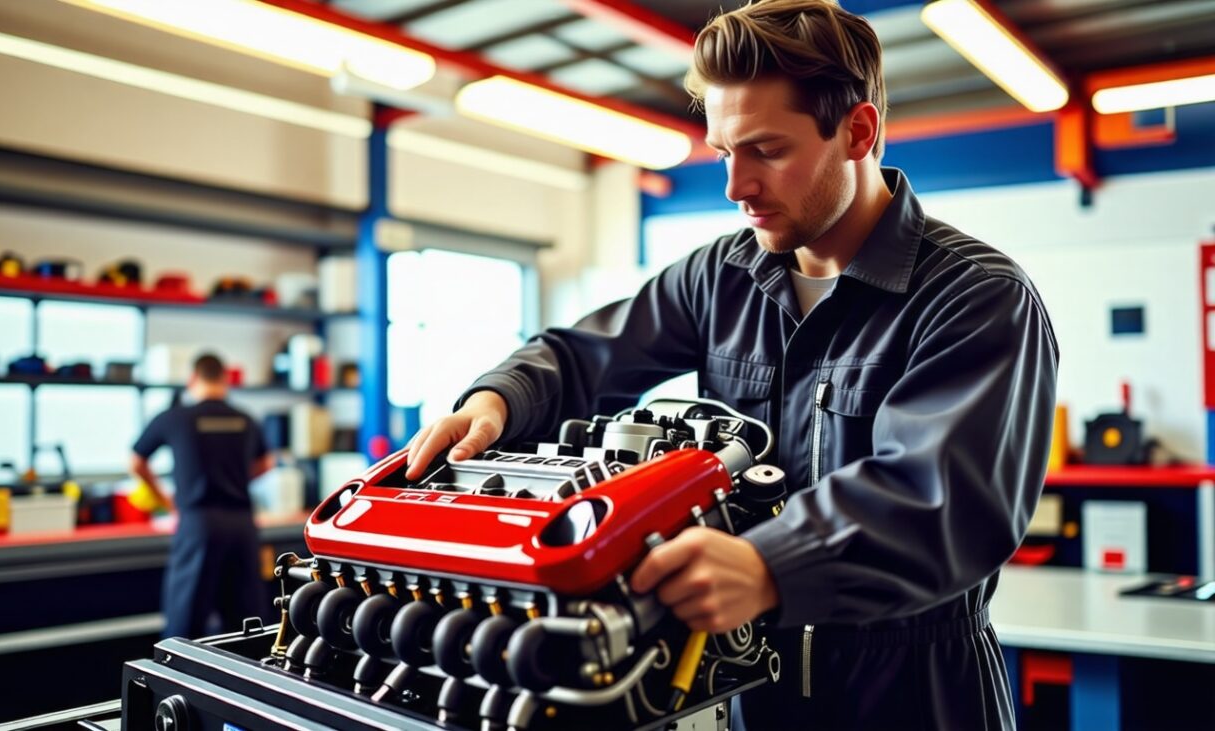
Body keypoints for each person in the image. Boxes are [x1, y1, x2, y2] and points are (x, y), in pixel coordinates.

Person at [404, 0, 1058, 728]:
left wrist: (771, 563)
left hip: (912, 691)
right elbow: (584, 357)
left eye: (767, 150)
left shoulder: (975, 297)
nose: (734, 186)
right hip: (751, 689)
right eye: (723, 152)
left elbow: (941, 501)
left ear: (858, 131)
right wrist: (497, 400)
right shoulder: (723, 276)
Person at [131, 352, 275, 639]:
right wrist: (236, 479)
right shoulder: (245, 419)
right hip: (242, 525)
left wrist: (167, 500)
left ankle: (177, 683)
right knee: (247, 625)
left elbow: (136, 462)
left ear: (193, 379)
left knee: (185, 623)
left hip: (198, 523)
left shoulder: (175, 417)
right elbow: (266, 463)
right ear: (224, 380)